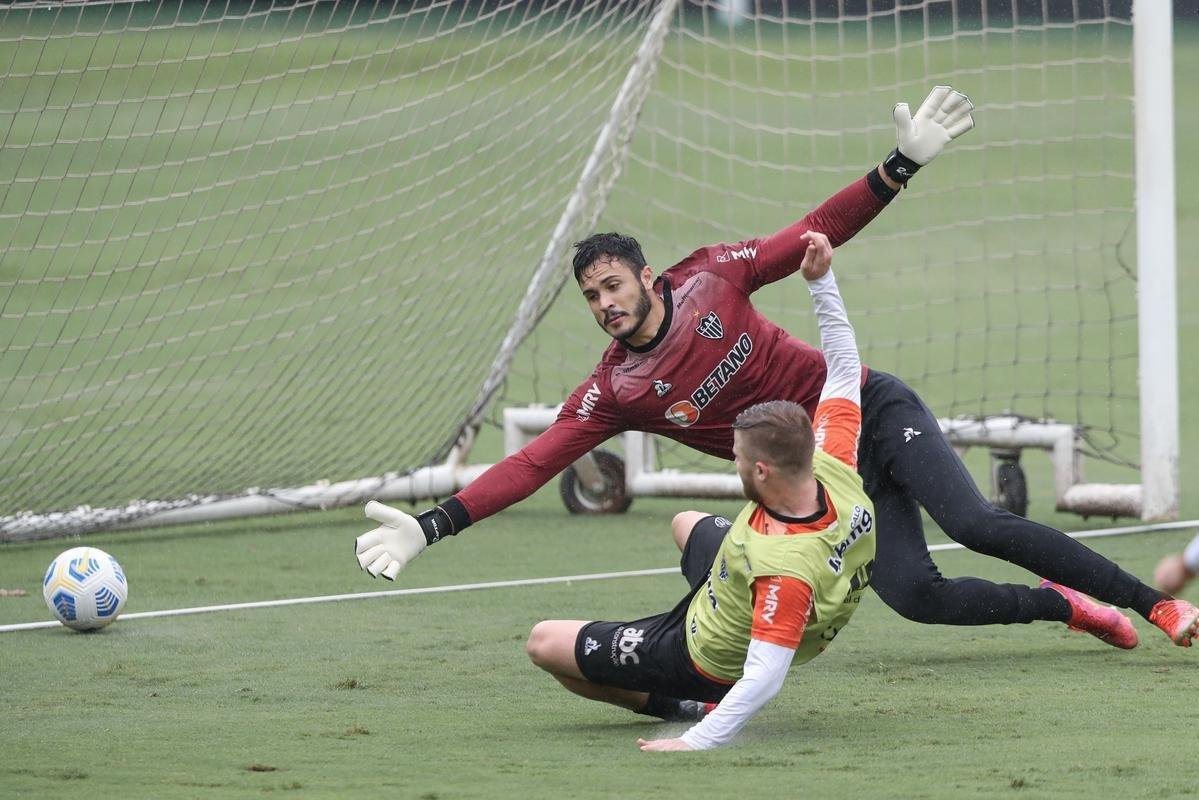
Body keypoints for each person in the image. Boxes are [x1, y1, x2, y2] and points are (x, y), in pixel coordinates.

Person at [354, 86, 1199, 649]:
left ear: (647, 276)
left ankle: (1156, 602)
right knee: (915, 596)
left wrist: (896, 166)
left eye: (612, 285)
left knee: (976, 524)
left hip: (869, 413)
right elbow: (532, 464)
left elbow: (812, 234)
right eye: (591, 297)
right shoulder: (614, 391)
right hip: (826, 482)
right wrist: (432, 527)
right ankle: (1063, 604)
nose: (605, 304)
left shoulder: (713, 277)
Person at [526, 231, 871, 750]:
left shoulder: (785, 569)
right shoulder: (833, 464)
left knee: (544, 642)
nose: (731, 462)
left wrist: (696, 740)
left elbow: (764, 678)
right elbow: (843, 372)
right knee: (685, 522)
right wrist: (821, 282)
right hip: (780, 581)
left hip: (703, 650)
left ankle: (677, 700)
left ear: (761, 472)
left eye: (736, 456)